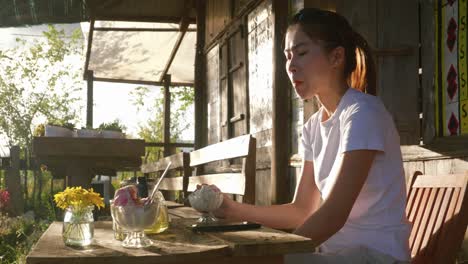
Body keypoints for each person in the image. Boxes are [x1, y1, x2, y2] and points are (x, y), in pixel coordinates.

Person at [209, 8, 411, 263]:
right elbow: (301, 210)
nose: (291, 66)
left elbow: (334, 214)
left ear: (336, 56)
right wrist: (234, 209)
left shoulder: (363, 113)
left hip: (375, 256)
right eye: (287, 57)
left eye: (302, 53)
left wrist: (278, 255)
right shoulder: (313, 126)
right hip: (333, 254)